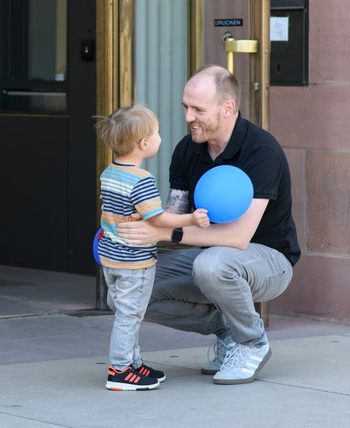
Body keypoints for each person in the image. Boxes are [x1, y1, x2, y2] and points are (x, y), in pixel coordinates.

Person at [117, 65, 300, 385]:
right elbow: (174, 224)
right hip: (208, 254)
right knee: (128, 289)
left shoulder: (261, 150)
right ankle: (227, 330)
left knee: (212, 264)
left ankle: (252, 342)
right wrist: (133, 224)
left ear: (227, 107)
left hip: (269, 260)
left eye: (198, 109)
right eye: (185, 107)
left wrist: (163, 231)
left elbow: (239, 236)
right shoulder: (187, 150)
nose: (188, 117)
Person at [94, 104, 210, 391]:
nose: (160, 138)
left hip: (111, 259)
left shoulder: (109, 173)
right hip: (134, 262)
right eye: (157, 133)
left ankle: (133, 364)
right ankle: (119, 371)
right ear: (144, 143)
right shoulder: (141, 180)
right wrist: (190, 218)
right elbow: (157, 217)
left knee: (127, 312)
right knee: (129, 316)